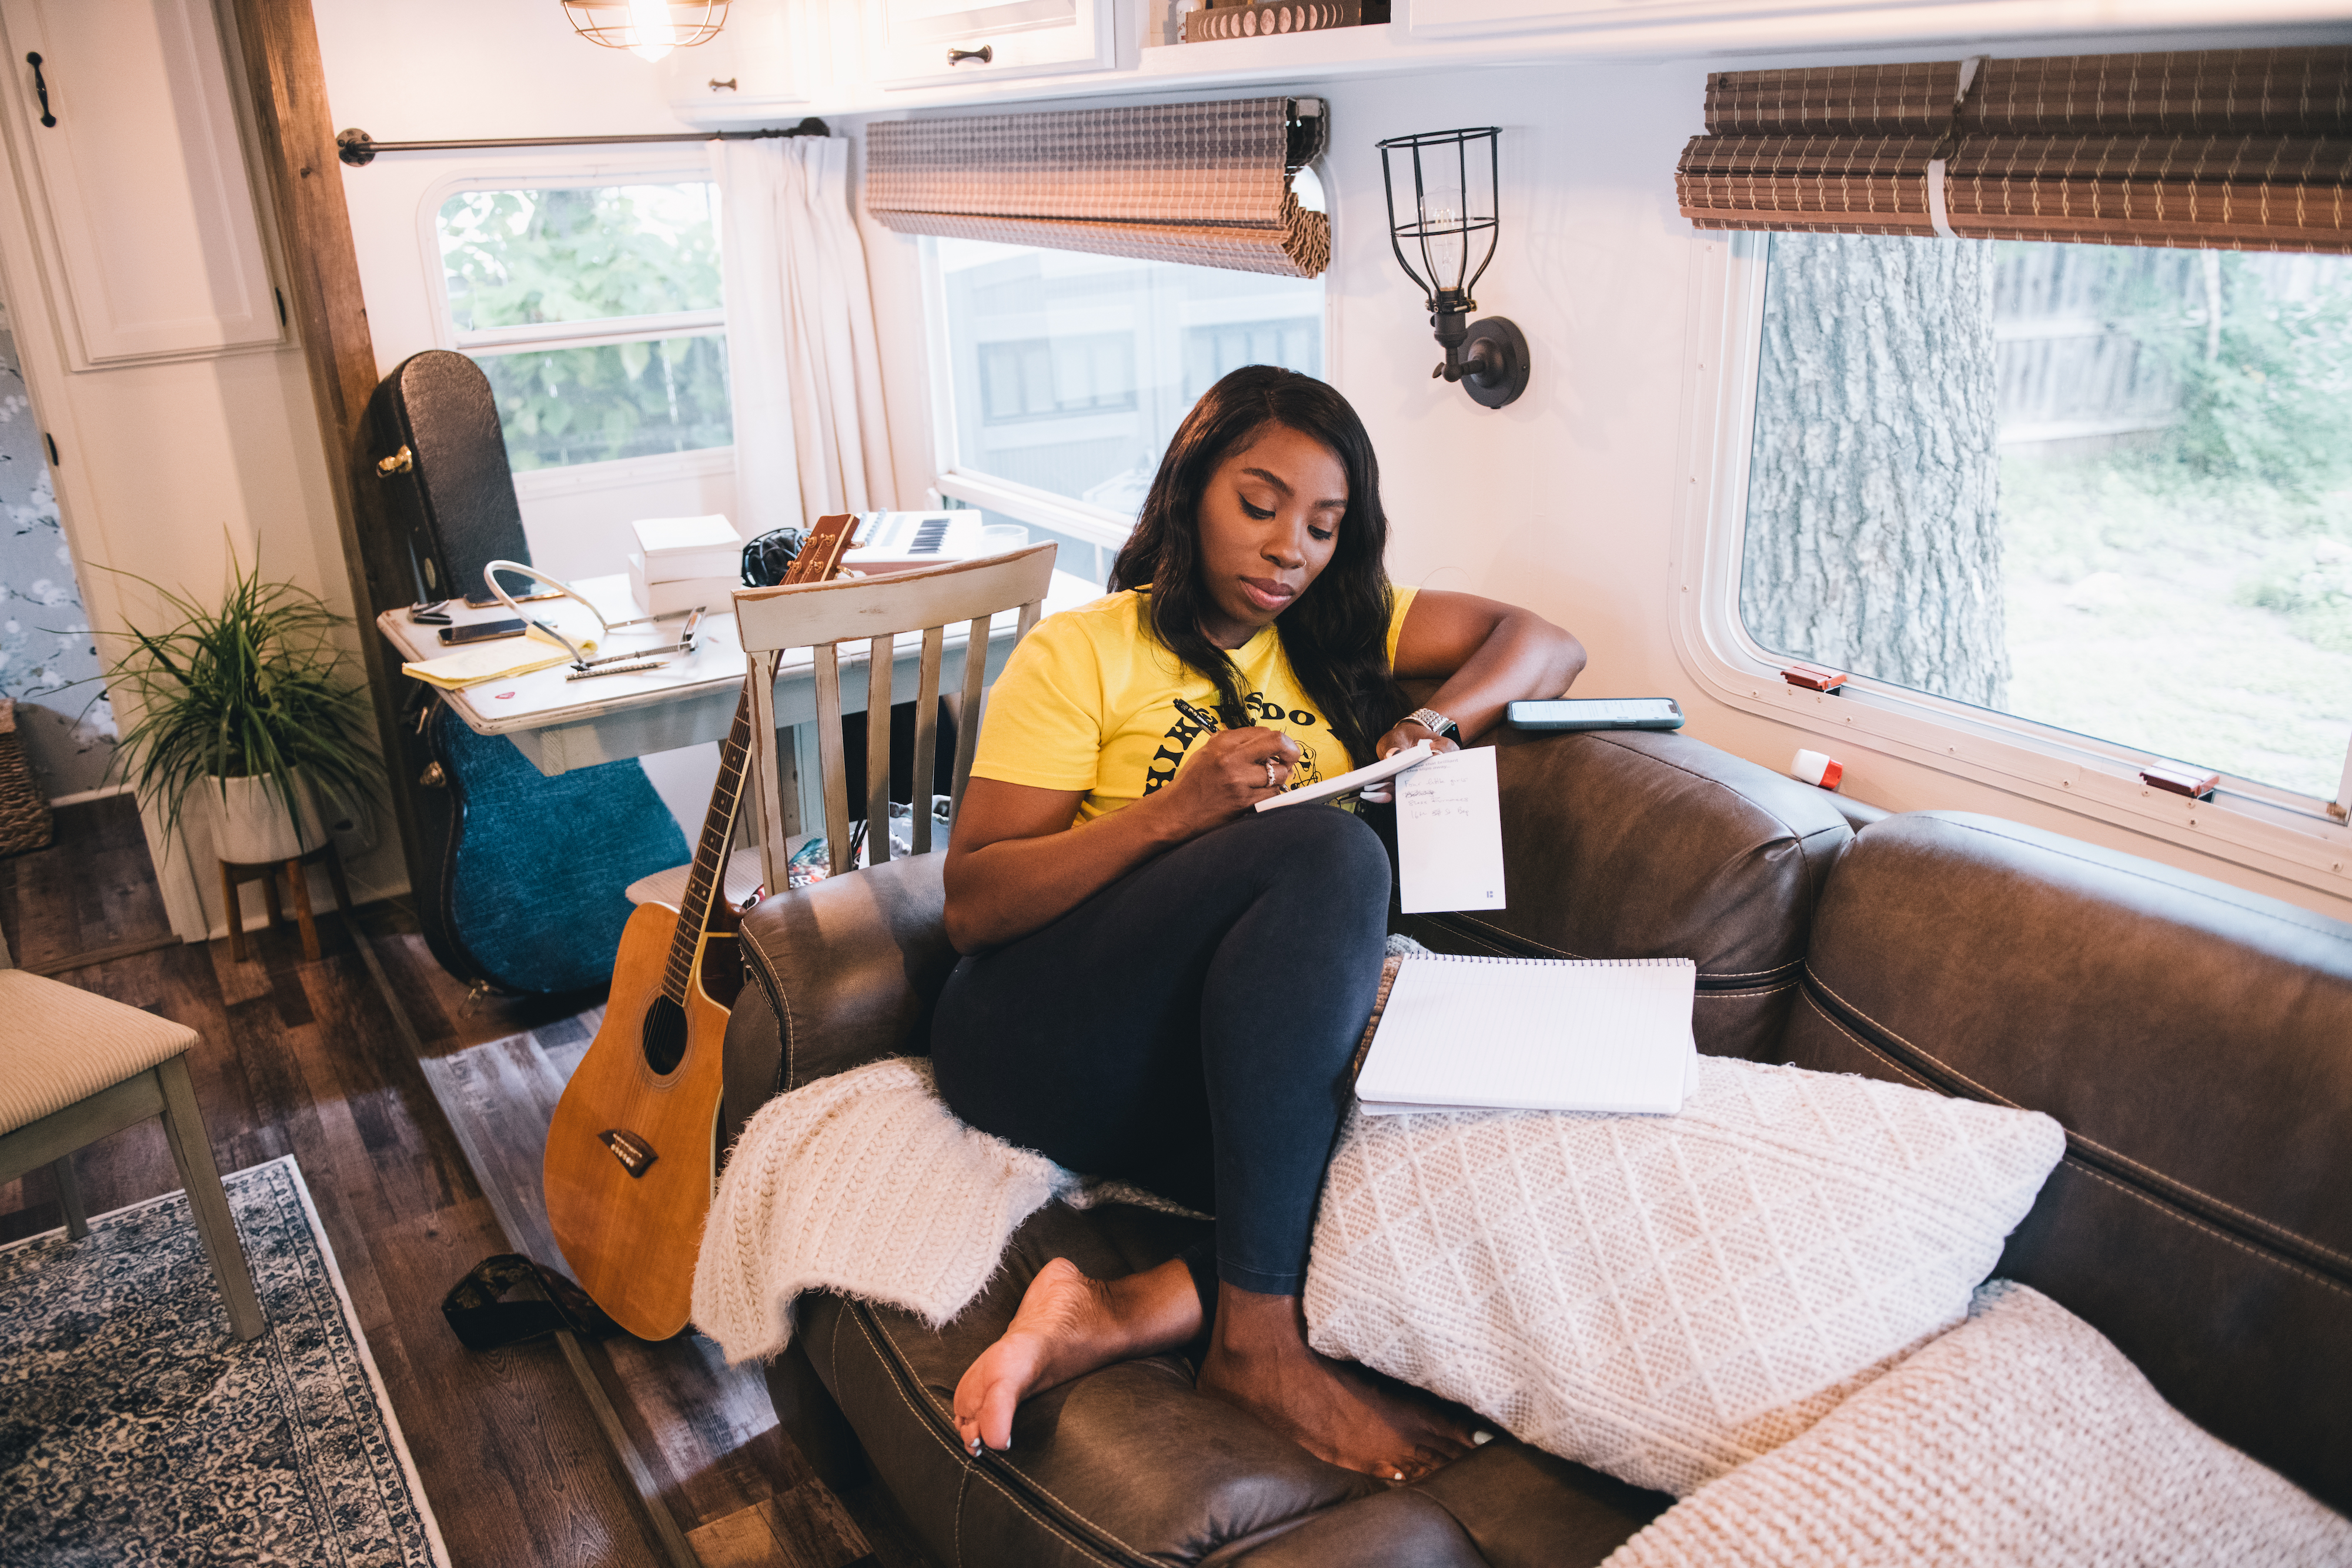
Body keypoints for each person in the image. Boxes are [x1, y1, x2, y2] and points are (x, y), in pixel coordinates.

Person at [930, 365, 1585, 1483]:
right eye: (1261, 504)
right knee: (1327, 848)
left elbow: (1548, 642)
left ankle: (1109, 1311)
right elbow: (974, 905)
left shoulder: (1345, 636)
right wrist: (1172, 816)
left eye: (1325, 526)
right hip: (1039, 1036)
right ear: (1191, 492)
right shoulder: (1084, 651)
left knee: (1427, 1159)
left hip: (1211, 1064)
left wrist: (1435, 722)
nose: (1291, 549)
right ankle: (1256, 1344)